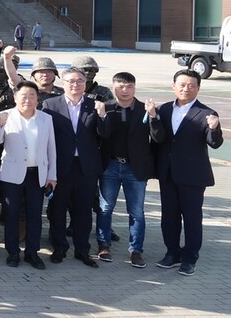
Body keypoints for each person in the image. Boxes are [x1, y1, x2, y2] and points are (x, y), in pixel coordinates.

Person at [149, 69, 223, 276]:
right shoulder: (163, 110)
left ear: (198, 88)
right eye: (181, 84)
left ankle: (190, 258)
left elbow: (214, 143)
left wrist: (215, 128)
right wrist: (153, 118)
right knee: (169, 217)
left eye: (191, 85)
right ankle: (172, 253)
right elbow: (158, 139)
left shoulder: (207, 113)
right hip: (168, 174)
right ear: (173, 86)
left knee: (191, 218)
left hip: (193, 176)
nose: (186, 89)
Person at [0, 81, 57, 270]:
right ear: (15, 97)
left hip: (37, 174)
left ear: (37, 98)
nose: (28, 99)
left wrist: (52, 175)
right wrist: (0, 126)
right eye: (23, 96)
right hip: (12, 175)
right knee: (12, 215)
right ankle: (12, 253)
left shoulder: (45, 119)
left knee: (35, 215)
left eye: (32, 96)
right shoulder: (5, 115)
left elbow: (51, 149)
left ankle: (32, 253)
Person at [42, 67, 104, 268]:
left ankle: (82, 250)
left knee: (83, 212)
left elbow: (105, 134)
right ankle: (59, 248)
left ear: (85, 83)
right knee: (57, 209)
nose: (75, 84)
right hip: (60, 166)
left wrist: (103, 117)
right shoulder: (50, 104)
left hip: (85, 167)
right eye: (71, 81)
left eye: (79, 81)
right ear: (63, 82)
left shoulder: (94, 105)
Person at [95, 72, 154, 268]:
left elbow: (158, 137)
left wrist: (154, 117)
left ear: (134, 88)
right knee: (105, 208)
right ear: (113, 88)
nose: (125, 90)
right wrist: (102, 116)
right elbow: (102, 134)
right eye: (120, 86)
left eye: (129, 86)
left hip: (134, 168)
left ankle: (136, 250)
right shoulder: (107, 108)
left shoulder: (145, 110)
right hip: (110, 166)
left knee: (136, 211)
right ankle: (103, 245)